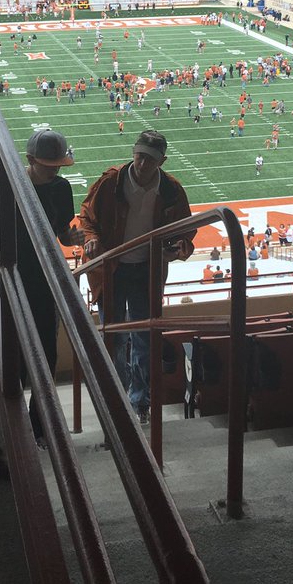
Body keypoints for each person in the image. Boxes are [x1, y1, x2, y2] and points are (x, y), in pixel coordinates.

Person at [0, 129, 83, 446]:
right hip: (12, 277)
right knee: (14, 357)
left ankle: (40, 427)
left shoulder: (62, 189)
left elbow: (61, 232)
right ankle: (15, 427)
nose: (55, 170)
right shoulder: (7, 187)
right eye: (49, 164)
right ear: (30, 160)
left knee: (47, 357)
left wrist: (71, 239)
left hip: (45, 280)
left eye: (58, 165)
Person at [79, 130, 194, 424]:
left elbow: (186, 232)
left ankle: (140, 400)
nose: (143, 165)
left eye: (151, 160)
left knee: (146, 338)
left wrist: (177, 249)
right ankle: (117, 401)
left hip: (147, 271)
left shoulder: (171, 191)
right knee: (113, 340)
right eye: (140, 156)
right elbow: (86, 217)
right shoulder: (111, 182)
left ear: (162, 161)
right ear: (133, 152)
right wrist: (91, 239)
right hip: (111, 270)